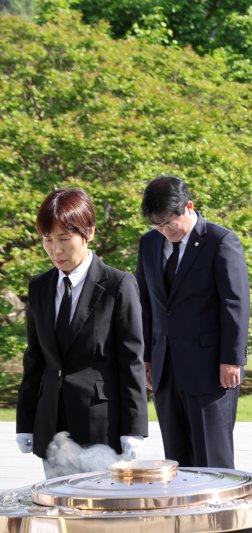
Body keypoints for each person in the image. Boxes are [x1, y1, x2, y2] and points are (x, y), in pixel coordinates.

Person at [16, 188, 148, 477]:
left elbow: (131, 361)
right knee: (60, 512)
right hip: (51, 423)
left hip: (101, 423)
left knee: (101, 513)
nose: (56, 250)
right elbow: (35, 359)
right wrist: (25, 421)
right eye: (47, 240)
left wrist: (134, 428)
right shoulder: (39, 287)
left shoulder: (118, 285)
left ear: (89, 234)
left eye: (64, 239)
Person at [135, 175, 249, 468]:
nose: (164, 231)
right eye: (157, 225)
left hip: (210, 369)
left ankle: (219, 514)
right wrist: (147, 358)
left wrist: (232, 359)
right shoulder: (149, 244)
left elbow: (235, 304)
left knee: (213, 459)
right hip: (165, 367)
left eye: (169, 223)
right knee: (176, 461)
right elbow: (146, 303)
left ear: (189, 207)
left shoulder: (220, 241)